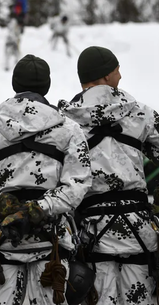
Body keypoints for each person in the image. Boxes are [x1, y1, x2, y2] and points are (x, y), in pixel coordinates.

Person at [0, 54, 92, 305]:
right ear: (47, 86)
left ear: (14, 85)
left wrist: (4, 205)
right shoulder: (68, 128)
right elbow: (78, 183)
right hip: (51, 246)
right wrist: (38, 208)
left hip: (2, 244)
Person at [59, 46, 159, 305]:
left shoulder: (65, 121)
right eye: (117, 70)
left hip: (91, 236)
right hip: (137, 233)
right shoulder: (140, 114)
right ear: (104, 76)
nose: (120, 76)